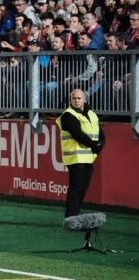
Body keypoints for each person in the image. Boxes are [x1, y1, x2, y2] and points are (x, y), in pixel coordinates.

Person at [55, 89, 105, 219]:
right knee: (76, 187)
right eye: (74, 98)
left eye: (79, 98)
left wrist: (100, 144)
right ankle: (70, 215)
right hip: (75, 157)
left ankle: (75, 213)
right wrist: (95, 145)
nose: (76, 101)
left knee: (83, 187)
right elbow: (77, 134)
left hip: (88, 157)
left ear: (84, 99)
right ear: (70, 100)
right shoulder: (68, 115)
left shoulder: (92, 114)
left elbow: (100, 132)